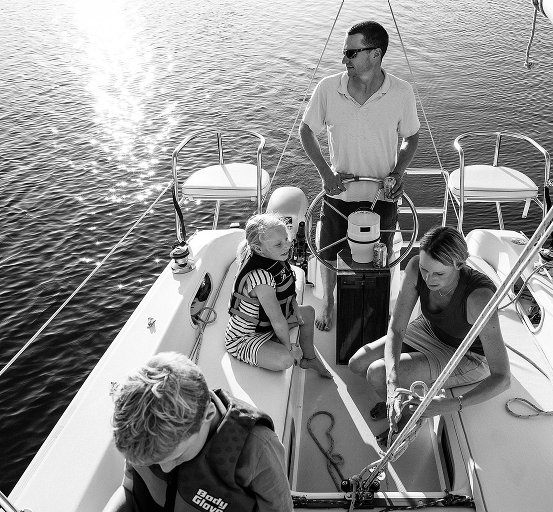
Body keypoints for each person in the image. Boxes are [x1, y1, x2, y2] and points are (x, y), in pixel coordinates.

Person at [300, 20, 420, 331]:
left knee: (384, 252)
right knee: (329, 251)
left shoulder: (402, 92)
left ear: (376, 54)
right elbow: (306, 131)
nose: (345, 60)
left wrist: (398, 172)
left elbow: (411, 136)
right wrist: (326, 174)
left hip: (383, 194)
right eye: (345, 52)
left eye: (351, 53)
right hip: (339, 194)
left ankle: (379, 305)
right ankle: (329, 304)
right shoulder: (328, 88)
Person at [348, 226, 511, 442]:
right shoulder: (416, 268)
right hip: (429, 329)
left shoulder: (479, 299)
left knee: (377, 373)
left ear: (459, 265)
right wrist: (392, 385)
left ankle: (409, 418)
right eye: (425, 269)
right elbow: (397, 329)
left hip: (465, 354)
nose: (428, 278)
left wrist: (449, 404)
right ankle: (397, 399)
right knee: (357, 363)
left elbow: (502, 377)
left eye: (439, 273)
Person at [103, 352, 294, 512]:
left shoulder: (257, 449)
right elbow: (129, 489)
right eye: (153, 463)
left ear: (208, 414)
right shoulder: (142, 431)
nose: (165, 469)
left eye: (176, 457)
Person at [225, 213, 332, 378]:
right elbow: (277, 319)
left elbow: (288, 291)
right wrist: (290, 347)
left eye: (287, 239)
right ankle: (276, 345)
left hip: (266, 326)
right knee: (286, 359)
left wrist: (295, 308)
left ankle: (309, 359)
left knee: (308, 313)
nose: (287, 246)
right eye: (278, 244)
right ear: (258, 249)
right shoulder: (261, 278)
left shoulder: (274, 257)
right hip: (245, 338)